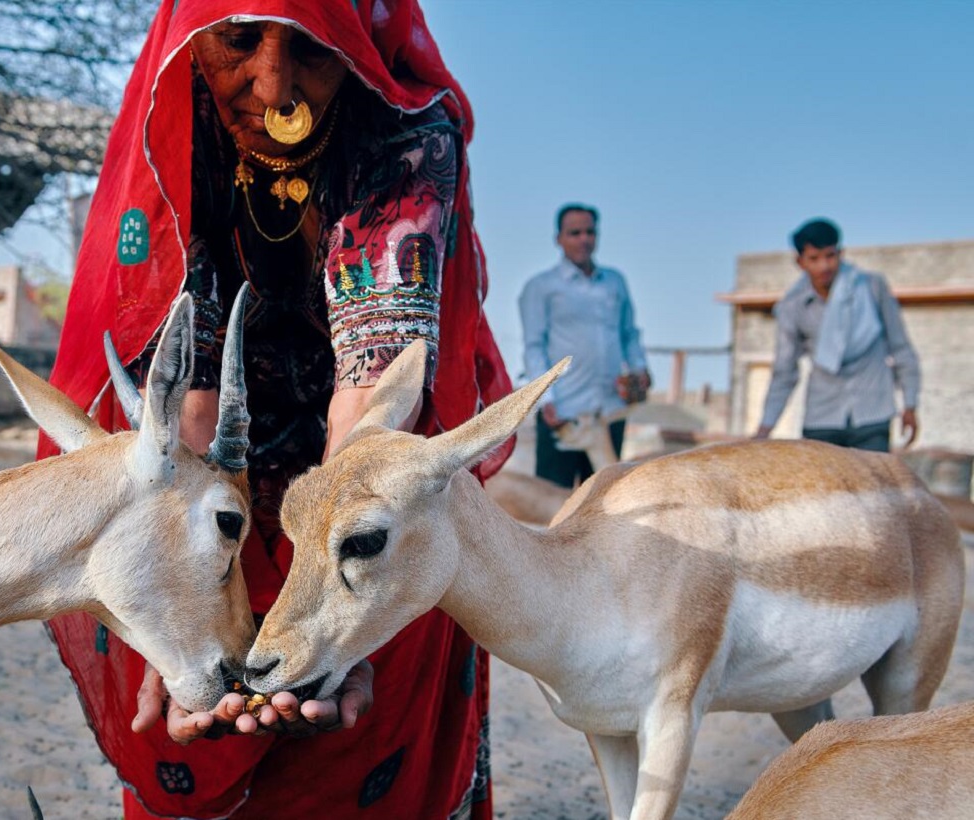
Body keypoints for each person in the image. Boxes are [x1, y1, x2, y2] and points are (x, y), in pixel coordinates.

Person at [36, 2, 514, 818]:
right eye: (238, 40)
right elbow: (186, 396)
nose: (274, 88)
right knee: (199, 710)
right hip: (204, 493)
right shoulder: (178, 111)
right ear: (197, 35)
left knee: (358, 763)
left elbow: (375, 395)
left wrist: (337, 618)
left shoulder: (406, 130)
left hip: (360, 504)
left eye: (316, 50)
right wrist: (179, 623)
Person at [755, 218, 920, 451]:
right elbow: (785, 371)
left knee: (872, 476)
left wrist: (910, 405)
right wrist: (765, 428)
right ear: (800, 262)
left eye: (830, 256)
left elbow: (901, 348)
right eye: (814, 258)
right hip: (822, 418)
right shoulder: (792, 307)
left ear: (840, 253)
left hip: (872, 414)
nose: (824, 266)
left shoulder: (872, 288)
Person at [518, 204, 650, 489]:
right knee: (555, 501)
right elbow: (534, 347)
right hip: (564, 415)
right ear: (559, 238)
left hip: (609, 411)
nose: (583, 239)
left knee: (607, 498)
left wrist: (640, 369)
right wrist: (546, 399)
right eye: (574, 233)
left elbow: (629, 334)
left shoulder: (614, 282)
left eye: (589, 232)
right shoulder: (541, 287)